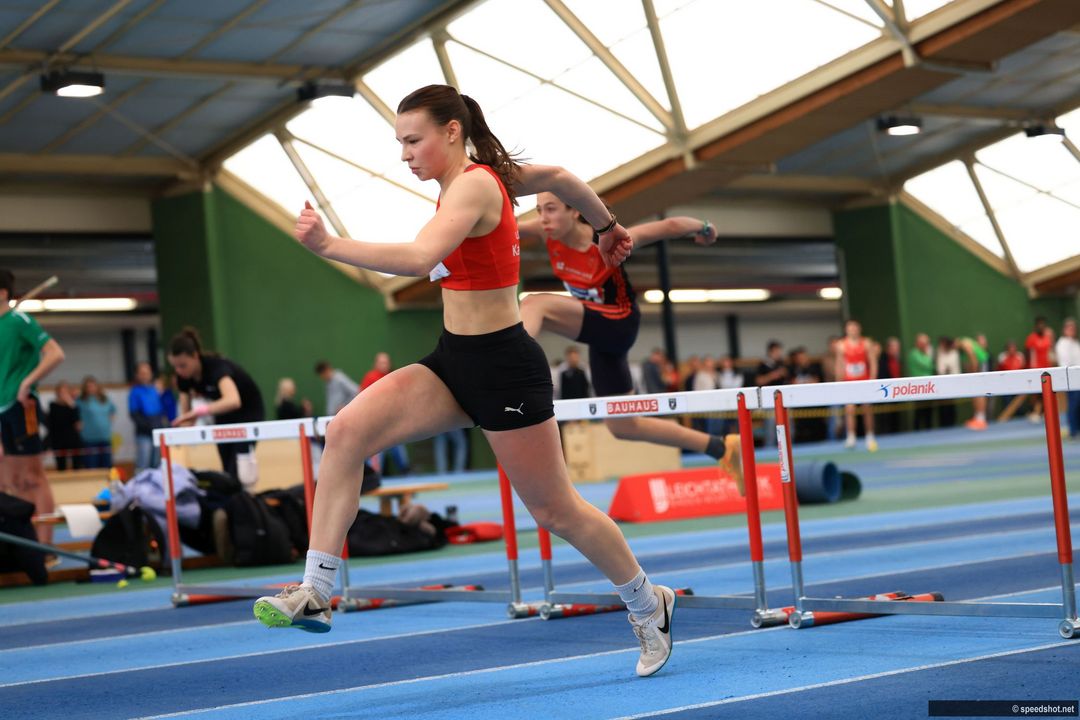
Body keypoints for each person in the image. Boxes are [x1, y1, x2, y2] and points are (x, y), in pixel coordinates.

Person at [254, 84, 676, 677]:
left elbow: (417, 258)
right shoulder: (480, 180)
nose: (404, 154)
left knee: (556, 511)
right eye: (400, 143)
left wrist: (328, 245)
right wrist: (608, 225)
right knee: (346, 432)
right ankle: (316, 592)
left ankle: (648, 602)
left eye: (413, 140)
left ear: (452, 132)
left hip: (505, 369)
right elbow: (560, 176)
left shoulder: (476, 184)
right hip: (453, 361)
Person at [517, 201, 740, 475]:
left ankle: (508, 366)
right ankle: (720, 448)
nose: (543, 217)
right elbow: (500, 226)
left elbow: (668, 226)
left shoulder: (608, 238)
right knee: (623, 425)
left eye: (551, 209)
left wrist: (704, 228)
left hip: (620, 322)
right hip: (599, 334)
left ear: (575, 210)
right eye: (539, 210)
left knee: (534, 304)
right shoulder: (545, 231)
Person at [0, 269, 65, 545]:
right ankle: (28, 547)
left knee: (33, 477)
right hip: (2, 409)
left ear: (3, 293)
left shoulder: (20, 321)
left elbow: (55, 353)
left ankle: (45, 548)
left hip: (22, 406)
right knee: (13, 481)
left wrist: (27, 382)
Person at [167, 328, 266, 481]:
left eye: (183, 365)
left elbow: (233, 400)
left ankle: (242, 492)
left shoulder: (216, 367)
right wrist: (179, 433)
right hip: (224, 413)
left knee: (239, 466)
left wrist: (200, 411)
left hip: (248, 411)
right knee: (226, 464)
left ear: (195, 356)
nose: (179, 371)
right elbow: (187, 417)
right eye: (175, 366)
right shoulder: (183, 378)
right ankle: (231, 491)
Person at [360, 352, 410, 475]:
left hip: (392, 422)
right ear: (376, 364)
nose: (384, 365)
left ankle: (406, 471)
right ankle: (375, 474)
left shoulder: (394, 376)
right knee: (378, 449)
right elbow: (362, 398)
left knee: (397, 444)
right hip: (375, 423)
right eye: (381, 362)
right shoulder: (370, 377)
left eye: (386, 362)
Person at [835, 321, 878, 451]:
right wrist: (838, 382)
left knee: (867, 409)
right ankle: (851, 437)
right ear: (846, 330)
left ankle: (870, 436)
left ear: (859, 329)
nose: (853, 330)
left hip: (864, 381)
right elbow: (839, 364)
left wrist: (872, 380)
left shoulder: (866, 343)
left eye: (855, 327)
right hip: (849, 381)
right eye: (850, 328)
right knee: (849, 409)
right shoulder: (841, 345)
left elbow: (873, 362)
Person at [129, 362, 168, 470]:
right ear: (137, 375)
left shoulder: (155, 389)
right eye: (142, 373)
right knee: (143, 463)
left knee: (157, 464)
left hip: (158, 431)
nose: (145, 376)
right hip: (144, 433)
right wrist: (148, 426)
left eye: (147, 373)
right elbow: (134, 414)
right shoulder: (135, 392)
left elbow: (162, 409)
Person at [77, 376, 115, 469]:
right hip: (89, 439)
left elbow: (112, 411)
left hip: (104, 437)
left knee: (107, 466)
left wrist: (107, 422)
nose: (91, 388)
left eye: (93, 386)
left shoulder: (104, 399)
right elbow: (73, 411)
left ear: (97, 386)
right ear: (84, 388)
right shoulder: (81, 401)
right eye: (88, 386)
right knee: (92, 466)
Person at [755, 341, 788, 447]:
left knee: (788, 425)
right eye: (777, 351)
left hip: (783, 399)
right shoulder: (763, 365)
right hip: (769, 400)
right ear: (771, 351)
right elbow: (759, 381)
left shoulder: (781, 363)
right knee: (770, 425)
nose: (779, 353)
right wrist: (773, 375)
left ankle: (788, 447)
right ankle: (769, 448)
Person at [46, 381, 82, 471]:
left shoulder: (73, 406)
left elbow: (78, 423)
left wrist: (71, 404)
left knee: (77, 464)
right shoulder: (53, 406)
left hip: (72, 438)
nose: (63, 394)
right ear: (57, 393)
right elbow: (51, 425)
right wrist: (49, 442)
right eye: (61, 392)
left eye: (66, 392)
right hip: (58, 439)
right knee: (61, 465)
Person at [1025, 317, 1055, 422]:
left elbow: (1050, 353)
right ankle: (1033, 412)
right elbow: (1028, 354)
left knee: (1046, 393)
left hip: (1047, 370)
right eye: (1039, 325)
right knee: (1035, 393)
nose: (1041, 327)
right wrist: (1029, 368)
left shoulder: (1047, 338)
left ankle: (1042, 412)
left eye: (1043, 325)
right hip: (1035, 370)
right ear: (1036, 326)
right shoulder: (1031, 338)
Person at [1055, 318, 1080, 439]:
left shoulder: (1075, 343)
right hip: (1070, 377)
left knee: (1078, 404)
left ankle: (1077, 429)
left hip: (1078, 376)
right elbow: (1065, 362)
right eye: (1069, 328)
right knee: (1074, 404)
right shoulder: (1062, 344)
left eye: (1073, 328)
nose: (1072, 330)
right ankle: (1073, 430)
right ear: (1064, 329)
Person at [907, 333, 935, 431]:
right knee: (919, 411)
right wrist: (929, 356)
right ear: (918, 343)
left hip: (929, 387)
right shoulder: (914, 354)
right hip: (917, 387)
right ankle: (917, 431)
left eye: (927, 343)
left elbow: (931, 367)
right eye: (923, 343)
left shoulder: (926, 354)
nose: (925, 345)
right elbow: (927, 365)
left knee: (928, 411)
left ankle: (929, 430)